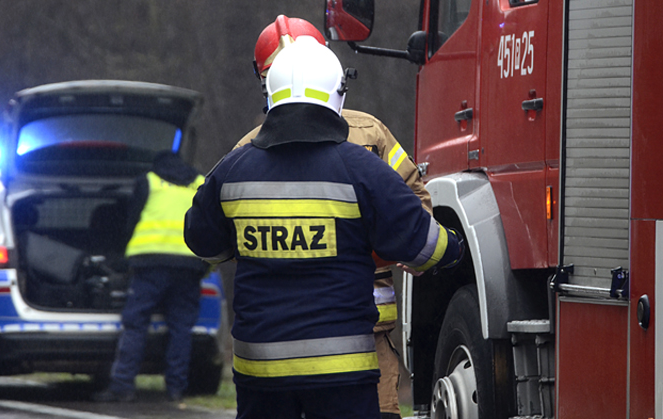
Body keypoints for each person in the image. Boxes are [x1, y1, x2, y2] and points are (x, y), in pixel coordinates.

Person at [184, 36, 463, 419]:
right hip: (342, 373)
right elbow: (425, 246)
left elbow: (203, 244)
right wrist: (455, 248)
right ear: (338, 94)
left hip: (259, 373)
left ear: (270, 93)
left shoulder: (232, 169)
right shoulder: (363, 169)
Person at [236, 15, 435, 419]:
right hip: (360, 337)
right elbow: (418, 212)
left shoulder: (245, 152)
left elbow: (213, 236)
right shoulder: (369, 135)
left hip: (272, 341)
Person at [93, 150, 209, 403]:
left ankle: (122, 386)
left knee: (136, 323)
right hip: (189, 264)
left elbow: (132, 220)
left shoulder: (149, 180)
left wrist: (123, 257)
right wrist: (205, 266)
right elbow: (211, 225)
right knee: (181, 328)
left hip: (150, 263)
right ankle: (175, 390)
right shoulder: (201, 182)